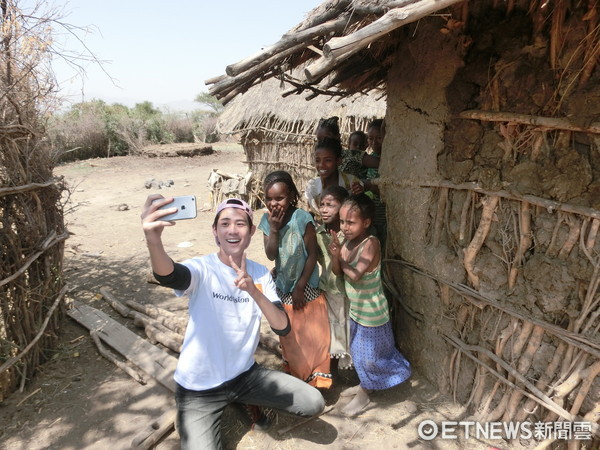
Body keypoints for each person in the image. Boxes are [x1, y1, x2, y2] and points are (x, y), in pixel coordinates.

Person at [141, 195, 325, 449]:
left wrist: (253, 290)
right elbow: (171, 275)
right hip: (198, 388)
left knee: (313, 402)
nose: (232, 230)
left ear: (251, 231)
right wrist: (153, 239)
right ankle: (197, 414)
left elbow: (282, 326)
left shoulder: (259, 273)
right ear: (215, 231)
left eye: (240, 224)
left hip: (244, 376)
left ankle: (243, 400)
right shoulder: (202, 268)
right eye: (224, 223)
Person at [329, 194, 411, 417]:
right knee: (357, 352)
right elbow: (338, 272)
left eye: (351, 222)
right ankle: (366, 383)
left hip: (372, 313)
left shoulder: (370, 244)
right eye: (342, 221)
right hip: (356, 310)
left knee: (370, 357)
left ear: (366, 223)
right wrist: (336, 256)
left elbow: (354, 275)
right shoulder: (346, 243)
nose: (344, 227)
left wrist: (341, 258)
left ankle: (366, 392)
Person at [258, 171, 333, 389]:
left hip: (306, 288)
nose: (274, 203)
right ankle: (301, 382)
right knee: (292, 338)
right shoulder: (266, 221)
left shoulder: (302, 218)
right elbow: (271, 255)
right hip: (283, 288)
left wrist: (300, 286)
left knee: (313, 338)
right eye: (269, 198)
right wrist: (273, 229)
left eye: (279, 198)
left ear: (291, 195)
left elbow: (312, 255)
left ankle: (319, 382)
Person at [316, 185, 353, 371]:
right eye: (321, 204)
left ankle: (348, 369)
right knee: (332, 329)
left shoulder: (348, 234)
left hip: (347, 291)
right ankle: (333, 370)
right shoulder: (319, 233)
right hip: (327, 289)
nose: (324, 209)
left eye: (330, 205)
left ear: (343, 207)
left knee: (345, 329)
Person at [304, 137, 363, 218]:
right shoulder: (312, 185)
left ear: (338, 161)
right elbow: (311, 213)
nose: (321, 165)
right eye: (318, 160)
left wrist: (359, 194)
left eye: (327, 160)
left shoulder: (352, 183)